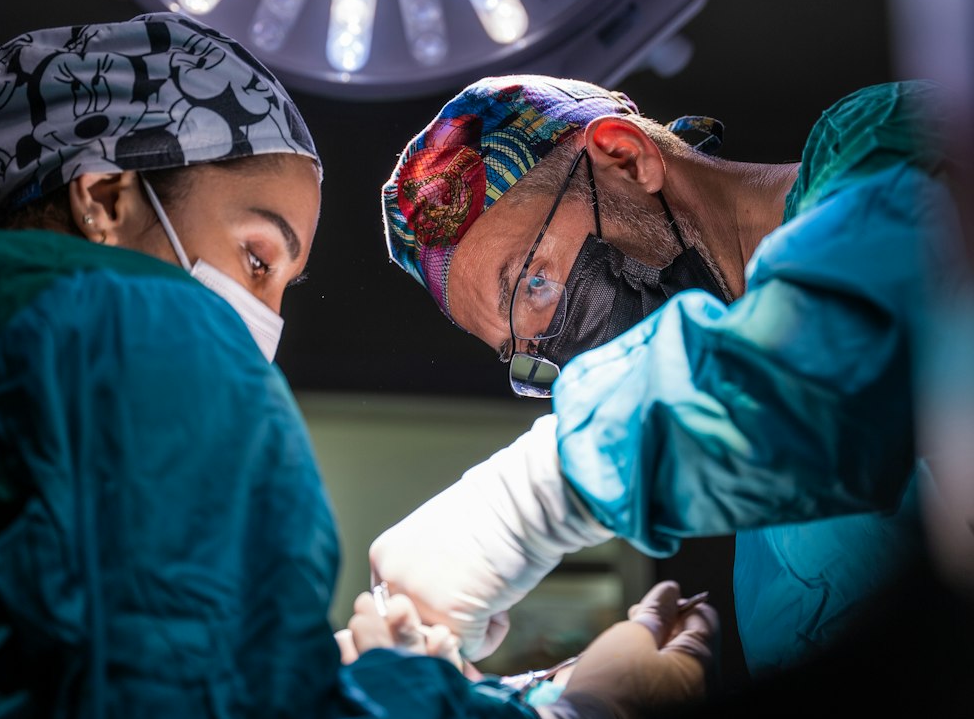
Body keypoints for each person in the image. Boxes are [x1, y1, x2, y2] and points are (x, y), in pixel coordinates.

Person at [0, 14, 721, 719]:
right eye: (258, 256)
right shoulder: (134, 328)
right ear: (107, 197)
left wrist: (318, 689)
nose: (263, 324)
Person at [374, 73, 958, 677]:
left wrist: (530, 496)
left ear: (625, 159)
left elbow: (844, 349)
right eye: (526, 356)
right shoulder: (760, 503)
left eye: (535, 285)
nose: (560, 352)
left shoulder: (888, 147)